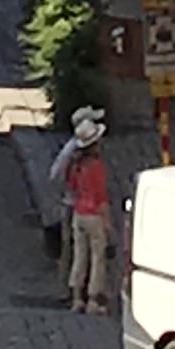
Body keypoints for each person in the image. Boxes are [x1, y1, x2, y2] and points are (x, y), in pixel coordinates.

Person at [58, 105, 116, 312]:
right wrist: (109, 228)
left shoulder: (75, 165)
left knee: (79, 256)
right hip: (93, 216)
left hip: (78, 214)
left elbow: (72, 187)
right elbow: (101, 198)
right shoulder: (96, 167)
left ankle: (76, 298)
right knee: (97, 258)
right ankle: (93, 299)